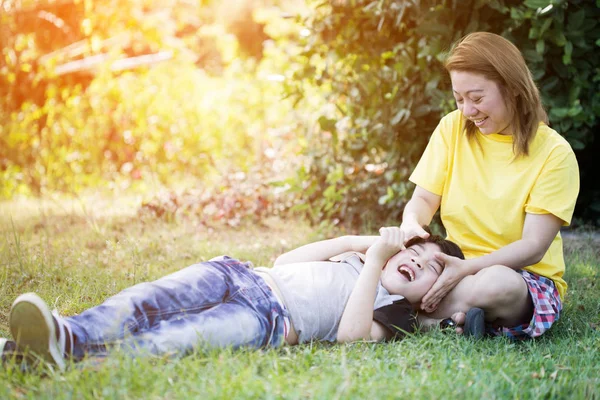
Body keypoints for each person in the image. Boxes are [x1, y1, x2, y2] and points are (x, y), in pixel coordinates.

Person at [6, 226, 464, 371]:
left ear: (430, 297)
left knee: (174, 339)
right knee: (143, 301)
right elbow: (285, 260)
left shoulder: (396, 312)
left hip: (268, 318)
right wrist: (361, 243)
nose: (417, 263)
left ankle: (50, 356)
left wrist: (373, 265)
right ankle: (67, 334)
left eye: (429, 271)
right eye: (415, 252)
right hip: (238, 274)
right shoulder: (355, 257)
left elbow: (350, 336)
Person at [399, 32, 580, 340]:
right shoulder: (451, 128)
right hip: (452, 265)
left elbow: (532, 247)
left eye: (477, 98)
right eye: (459, 99)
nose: (468, 111)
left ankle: (408, 316)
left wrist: (465, 271)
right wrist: (411, 224)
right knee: (384, 259)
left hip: (520, 277)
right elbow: (423, 200)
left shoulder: (555, 154)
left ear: (512, 88)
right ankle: (453, 318)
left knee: (495, 284)